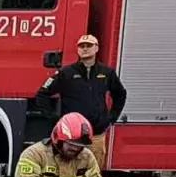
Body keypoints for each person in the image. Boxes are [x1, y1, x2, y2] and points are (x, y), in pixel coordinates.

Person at [35, 34, 126, 166]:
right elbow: (42, 94)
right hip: (70, 138)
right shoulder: (65, 73)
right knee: (67, 171)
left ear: (96, 48)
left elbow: (120, 94)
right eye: (81, 46)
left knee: (93, 173)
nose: (85, 49)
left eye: (89, 46)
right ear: (77, 50)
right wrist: (54, 119)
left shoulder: (107, 73)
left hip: (96, 135)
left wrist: (111, 118)